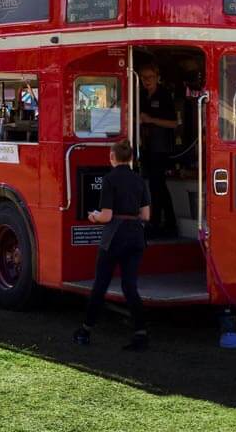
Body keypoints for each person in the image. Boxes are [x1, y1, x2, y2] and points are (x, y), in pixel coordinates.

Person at [73, 139, 151, 351]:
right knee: (130, 286)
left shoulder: (109, 180)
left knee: (101, 284)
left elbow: (106, 216)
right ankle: (140, 333)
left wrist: (93, 217)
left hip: (114, 236)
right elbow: (145, 215)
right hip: (135, 236)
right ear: (131, 158)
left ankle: (85, 330)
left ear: (112, 157)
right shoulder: (139, 180)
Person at [139, 63, 178, 237]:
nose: (147, 81)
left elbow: (174, 123)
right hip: (146, 146)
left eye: (150, 77)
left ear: (157, 77)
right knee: (154, 186)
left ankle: (163, 223)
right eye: (143, 78)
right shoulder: (140, 95)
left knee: (158, 186)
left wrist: (151, 119)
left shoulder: (164, 95)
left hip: (161, 148)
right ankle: (164, 223)